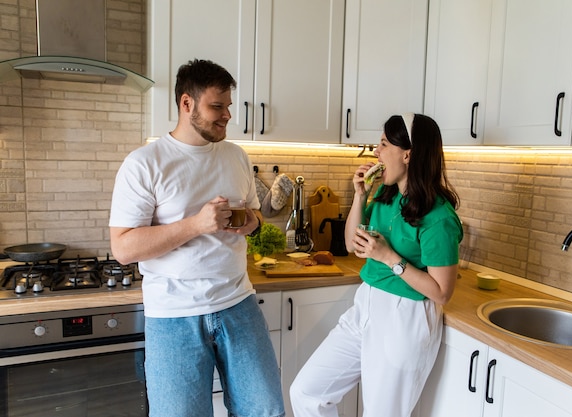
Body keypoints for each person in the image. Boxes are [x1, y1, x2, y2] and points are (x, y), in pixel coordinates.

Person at [109, 59, 285, 417]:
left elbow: (255, 219)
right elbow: (123, 248)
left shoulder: (235, 155)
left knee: (266, 410)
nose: (226, 116)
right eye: (216, 107)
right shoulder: (145, 163)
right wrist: (197, 224)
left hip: (238, 302)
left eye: (228, 107)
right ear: (186, 104)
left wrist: (248, 222)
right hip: (174, 316)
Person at [290, 113, 463, 417]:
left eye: (383, 144)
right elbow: (350, 244)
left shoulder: (439, 217)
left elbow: (441, 292)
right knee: (307, 392)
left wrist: (389, 258)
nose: (375, 151)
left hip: (404, 320)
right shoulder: (386, 195)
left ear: (407, 154)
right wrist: (359, 195)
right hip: (365, 308)